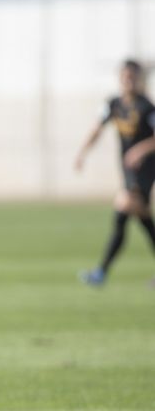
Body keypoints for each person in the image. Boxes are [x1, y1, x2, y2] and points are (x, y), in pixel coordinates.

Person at [75, 59, 155, 286]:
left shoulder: (147, 108)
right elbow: (96, 129)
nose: (128, 80)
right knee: (141, 217)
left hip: (146, 169)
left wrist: (140, 150)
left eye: (132, 76)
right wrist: (82, 153)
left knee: (123, 207)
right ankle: (101, 273)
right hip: (128, 171)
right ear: (120, 79)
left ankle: (101, 272)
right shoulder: (113, 104)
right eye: (125, 76)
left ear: (139, 79)